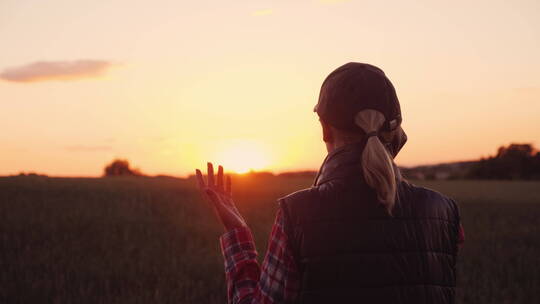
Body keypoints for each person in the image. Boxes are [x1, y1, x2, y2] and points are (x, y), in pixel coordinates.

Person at [195, 62, 465, 304]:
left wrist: (237, 234)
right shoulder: (443, 212)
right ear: (393, 129)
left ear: (324, 128)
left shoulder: (299, 214)